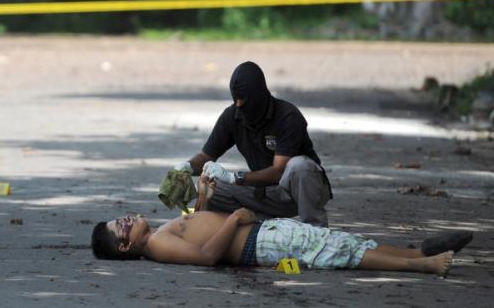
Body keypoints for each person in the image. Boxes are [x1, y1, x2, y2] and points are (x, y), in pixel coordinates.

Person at [91, 176, 473, 275]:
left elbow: (197, 227)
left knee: (339, 241)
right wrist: (238, 218)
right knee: (336, 252)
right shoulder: (156, 247)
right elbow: (207, 256)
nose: (124, 219)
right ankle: (420, 265)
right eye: (119, 227)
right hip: (260, 243)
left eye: (119, 217)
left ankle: (417, 250)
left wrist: (203, 199)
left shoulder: (160, 233)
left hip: (264, 234)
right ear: (126, 247)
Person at [174, 61, 332, 226]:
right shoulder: (233, 115)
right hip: (265, 193)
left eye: (244, 101)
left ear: (260, 95)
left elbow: (279, 171)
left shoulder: (287, 116)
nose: (239, 105)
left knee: (299, 166)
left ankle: (317, 231)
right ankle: (247, 229)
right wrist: (187, 167)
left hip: (298, 192)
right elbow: (206, 155)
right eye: (236, 100)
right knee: (211, 189)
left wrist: (234, 177)